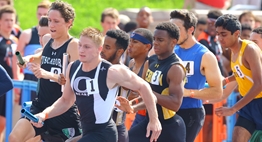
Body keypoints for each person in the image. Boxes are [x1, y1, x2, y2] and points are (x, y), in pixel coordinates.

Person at [31, 27, 161, 142]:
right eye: (80, 45)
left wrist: (154, 120)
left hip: (104, 133)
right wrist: (44, 115)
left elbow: (144, 87)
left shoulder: (112, 71)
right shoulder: (73, 67)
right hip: (88, 131)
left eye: (87, 47)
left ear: (99, 49)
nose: (81, 50)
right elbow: (66, 101)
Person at [9, 1, 82, 142]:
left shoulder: (74, 46)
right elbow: (40, 57)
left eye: (56, 21)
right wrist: (26, 59)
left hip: (63, 110)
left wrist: (46, 74)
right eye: (49, 20)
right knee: (14, 138)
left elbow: (73, 82)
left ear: (69, 22)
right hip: (40, 106)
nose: (51, 25)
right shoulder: (48, 39)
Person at [118, 22, 187, 142]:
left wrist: (148, 93)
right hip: (150, 121)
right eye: (154, 39)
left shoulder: (175, 68)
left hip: (170, 127)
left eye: (160, 40)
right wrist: (132, 107)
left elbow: (175, 103)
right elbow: (148, 99)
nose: (155, 43)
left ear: (173, 42)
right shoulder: (150, 62)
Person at [170, 10, 223, 142]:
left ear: (190, 29)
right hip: (168, 110)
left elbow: (217, 92)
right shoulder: (170, 51)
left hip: (190, 112)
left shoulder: (205, 55)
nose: (173, 33)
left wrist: (188, 92)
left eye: (177, 29)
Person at [214, 14, 262, 142]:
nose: (219, 38)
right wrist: (226, 80)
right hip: (249, 105)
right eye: (218, 34)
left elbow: (259, 84)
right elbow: (241, 72)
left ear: (236, 33)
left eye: (223, 34)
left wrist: (233, 108)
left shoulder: (249, 49)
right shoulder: (234, 51)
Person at [16, 0, 50, 101]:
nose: (42, 17)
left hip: (49, 81)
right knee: (27, 112)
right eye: (39, 14)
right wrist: (17, 76)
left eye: (45, 14)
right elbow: (17, 56)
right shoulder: (27, 33)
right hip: (30, 78)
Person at [102, 29, 130, 142]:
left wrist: (131, 106)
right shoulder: (96, 66)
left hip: (115, 130)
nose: (102, 50)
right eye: (102, 45)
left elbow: (142, 90)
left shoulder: (124, 72)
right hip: (94, 127)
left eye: (107, 48)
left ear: (119, 52)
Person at [0, 5, 19, 142]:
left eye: (11, 20)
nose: (9, 23)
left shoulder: (15, 41)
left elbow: (20, 62)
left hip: (9, 85)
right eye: (6, 20)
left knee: (4, 121)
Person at [127, 28, 153, 128]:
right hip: (136, 113)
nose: (130, 45)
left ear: (147, 47)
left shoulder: (149, 65)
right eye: (130, 41)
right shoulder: (131, 63)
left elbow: (146, 95)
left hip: (147, 116)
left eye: (135, 42)